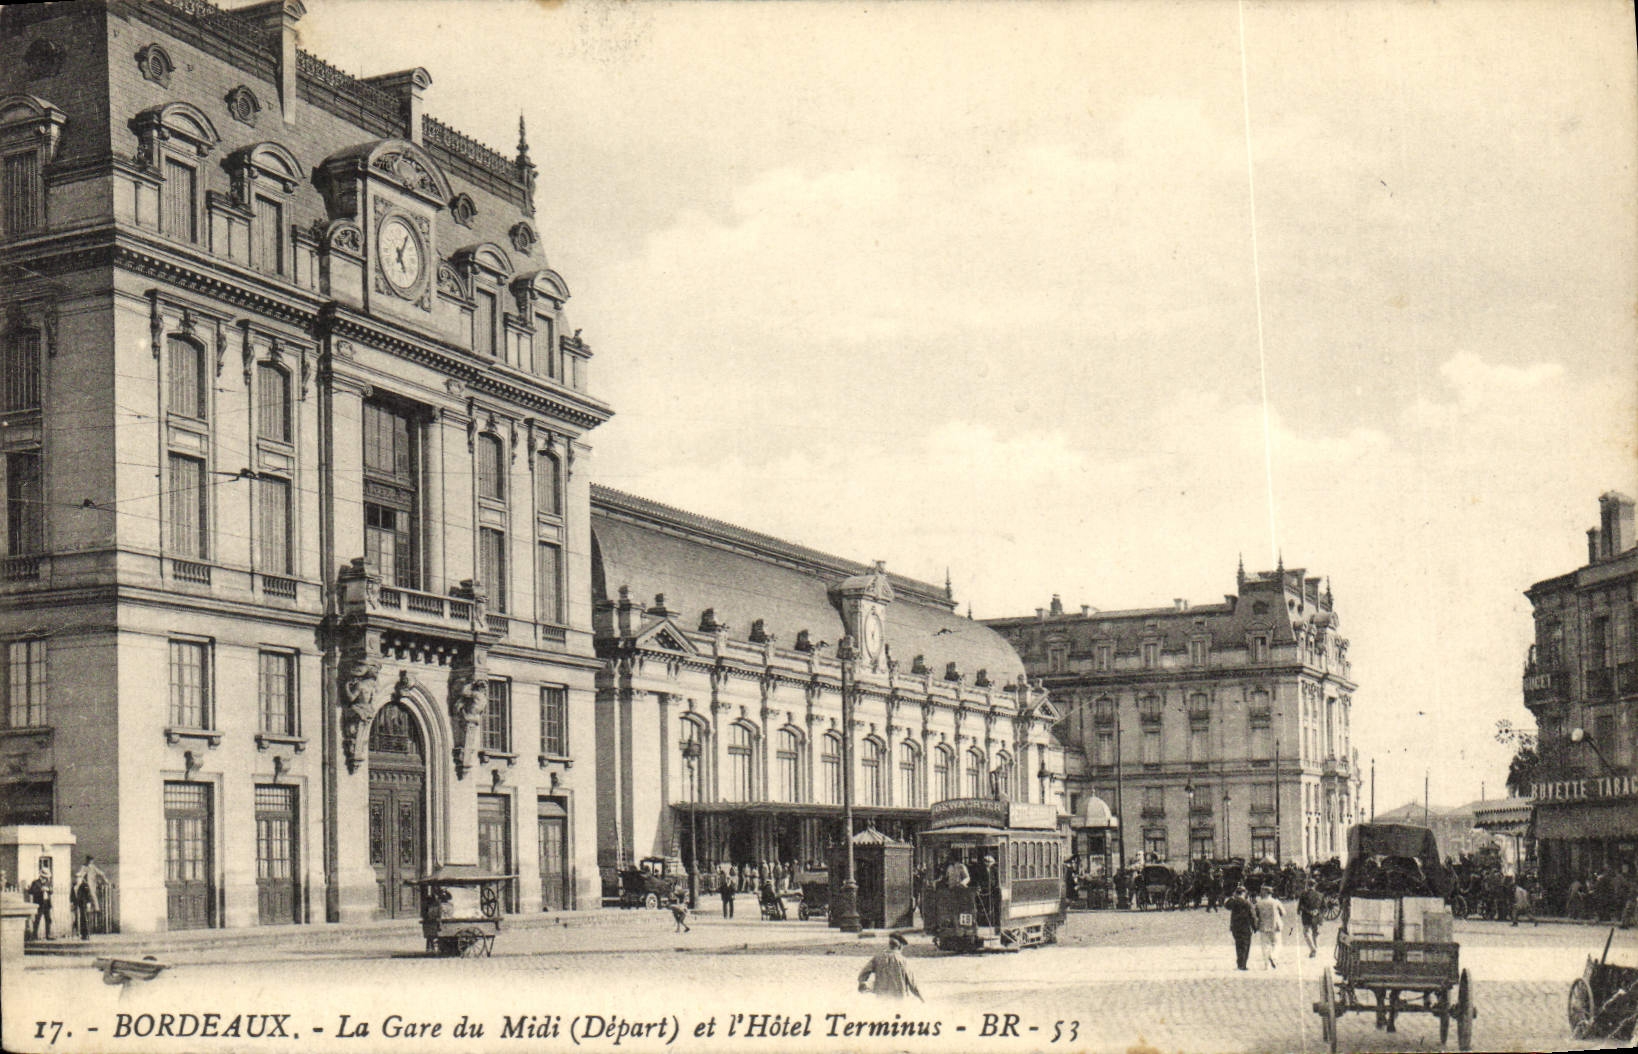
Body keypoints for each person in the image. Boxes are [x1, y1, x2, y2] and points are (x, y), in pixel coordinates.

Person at [858, 932, 923, 1001]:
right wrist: (920, 998)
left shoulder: (878, 957)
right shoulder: (903, 961)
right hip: (898, 997)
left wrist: (863, 984)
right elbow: (912, 983)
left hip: (881, 996)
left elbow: (863, 974)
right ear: (900, 946)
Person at [71, 856, 106, 941]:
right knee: (77, 919)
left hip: (84, 904)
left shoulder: (84, 886)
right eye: (77, 878)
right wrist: (72, 903)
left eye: (79, 877)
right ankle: (81, 933)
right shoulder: (74, 886)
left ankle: (86, 934)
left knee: (85, 919)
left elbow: (88, 895)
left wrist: (89, 903)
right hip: (77, 905)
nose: (77, 879)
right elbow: (72, 895)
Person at [1225, 885, 1256, 970]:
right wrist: (1255, 927)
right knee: (1245, 945)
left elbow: (1226, 905)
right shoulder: (1247, 903)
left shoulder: (1234, 902)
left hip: (1235, 927)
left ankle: (1240, 964)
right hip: (1245, 927)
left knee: (1238, 945)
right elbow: (1252, 916)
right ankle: (1243, 964)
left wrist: (1232, 897)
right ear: (1243, 893)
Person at [1253, 885, 1284, 969]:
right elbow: (1283, 913)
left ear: (1265, 892)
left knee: (1265, 945)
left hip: (1263, 926)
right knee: (1277, 944)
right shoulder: (1276, 902)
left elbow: (1256, 914)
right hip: (1275, 925)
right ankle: (1273, 956)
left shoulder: (1259, 903)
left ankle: (1267, 965)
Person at [1297, 879, 1325, 958]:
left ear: (1307, 885)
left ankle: (1313, 949)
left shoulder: (1303, 894)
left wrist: (1300, 911)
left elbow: (1299, 907)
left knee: (1306, 932)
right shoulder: (1320, 895)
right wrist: (1317, 912)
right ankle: (1315, 949)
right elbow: (1324, 908)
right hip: (1317, 916)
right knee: (1315, 933)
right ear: (1315, 885)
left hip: (1306, 915)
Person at [26, 864, 53, 941]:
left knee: (48, 919)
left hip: (47, 903)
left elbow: (51, 891)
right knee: (37, 920)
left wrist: (48, 889)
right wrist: (41, 890)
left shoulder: (48, 882)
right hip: (39, 904)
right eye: (44, 877)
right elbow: (31, 891)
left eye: (46, 877)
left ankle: (48, 935)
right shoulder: (35, 882)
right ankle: (35, 935)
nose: (46, 878)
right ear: (41, 876)